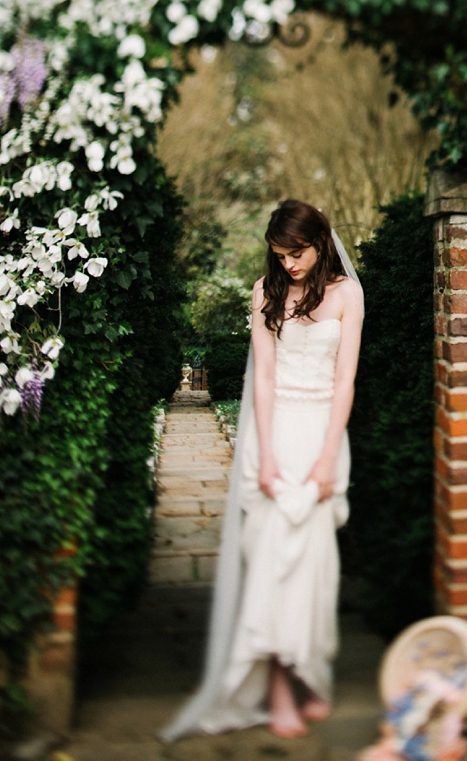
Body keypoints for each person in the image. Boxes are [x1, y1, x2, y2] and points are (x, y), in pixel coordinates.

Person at [162, 198, 364, 741]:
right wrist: (267, 455)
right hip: (274, 437)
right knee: (274, 564)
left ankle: (310, 672)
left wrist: (326, 456)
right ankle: (277, 689)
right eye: (280, 255)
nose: (289, 265)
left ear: (319, 241)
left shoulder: (348, 295)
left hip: (323, 433)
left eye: (296, 253)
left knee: (315, 566)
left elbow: (345, 382)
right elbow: (266, 381)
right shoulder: (265, 292)